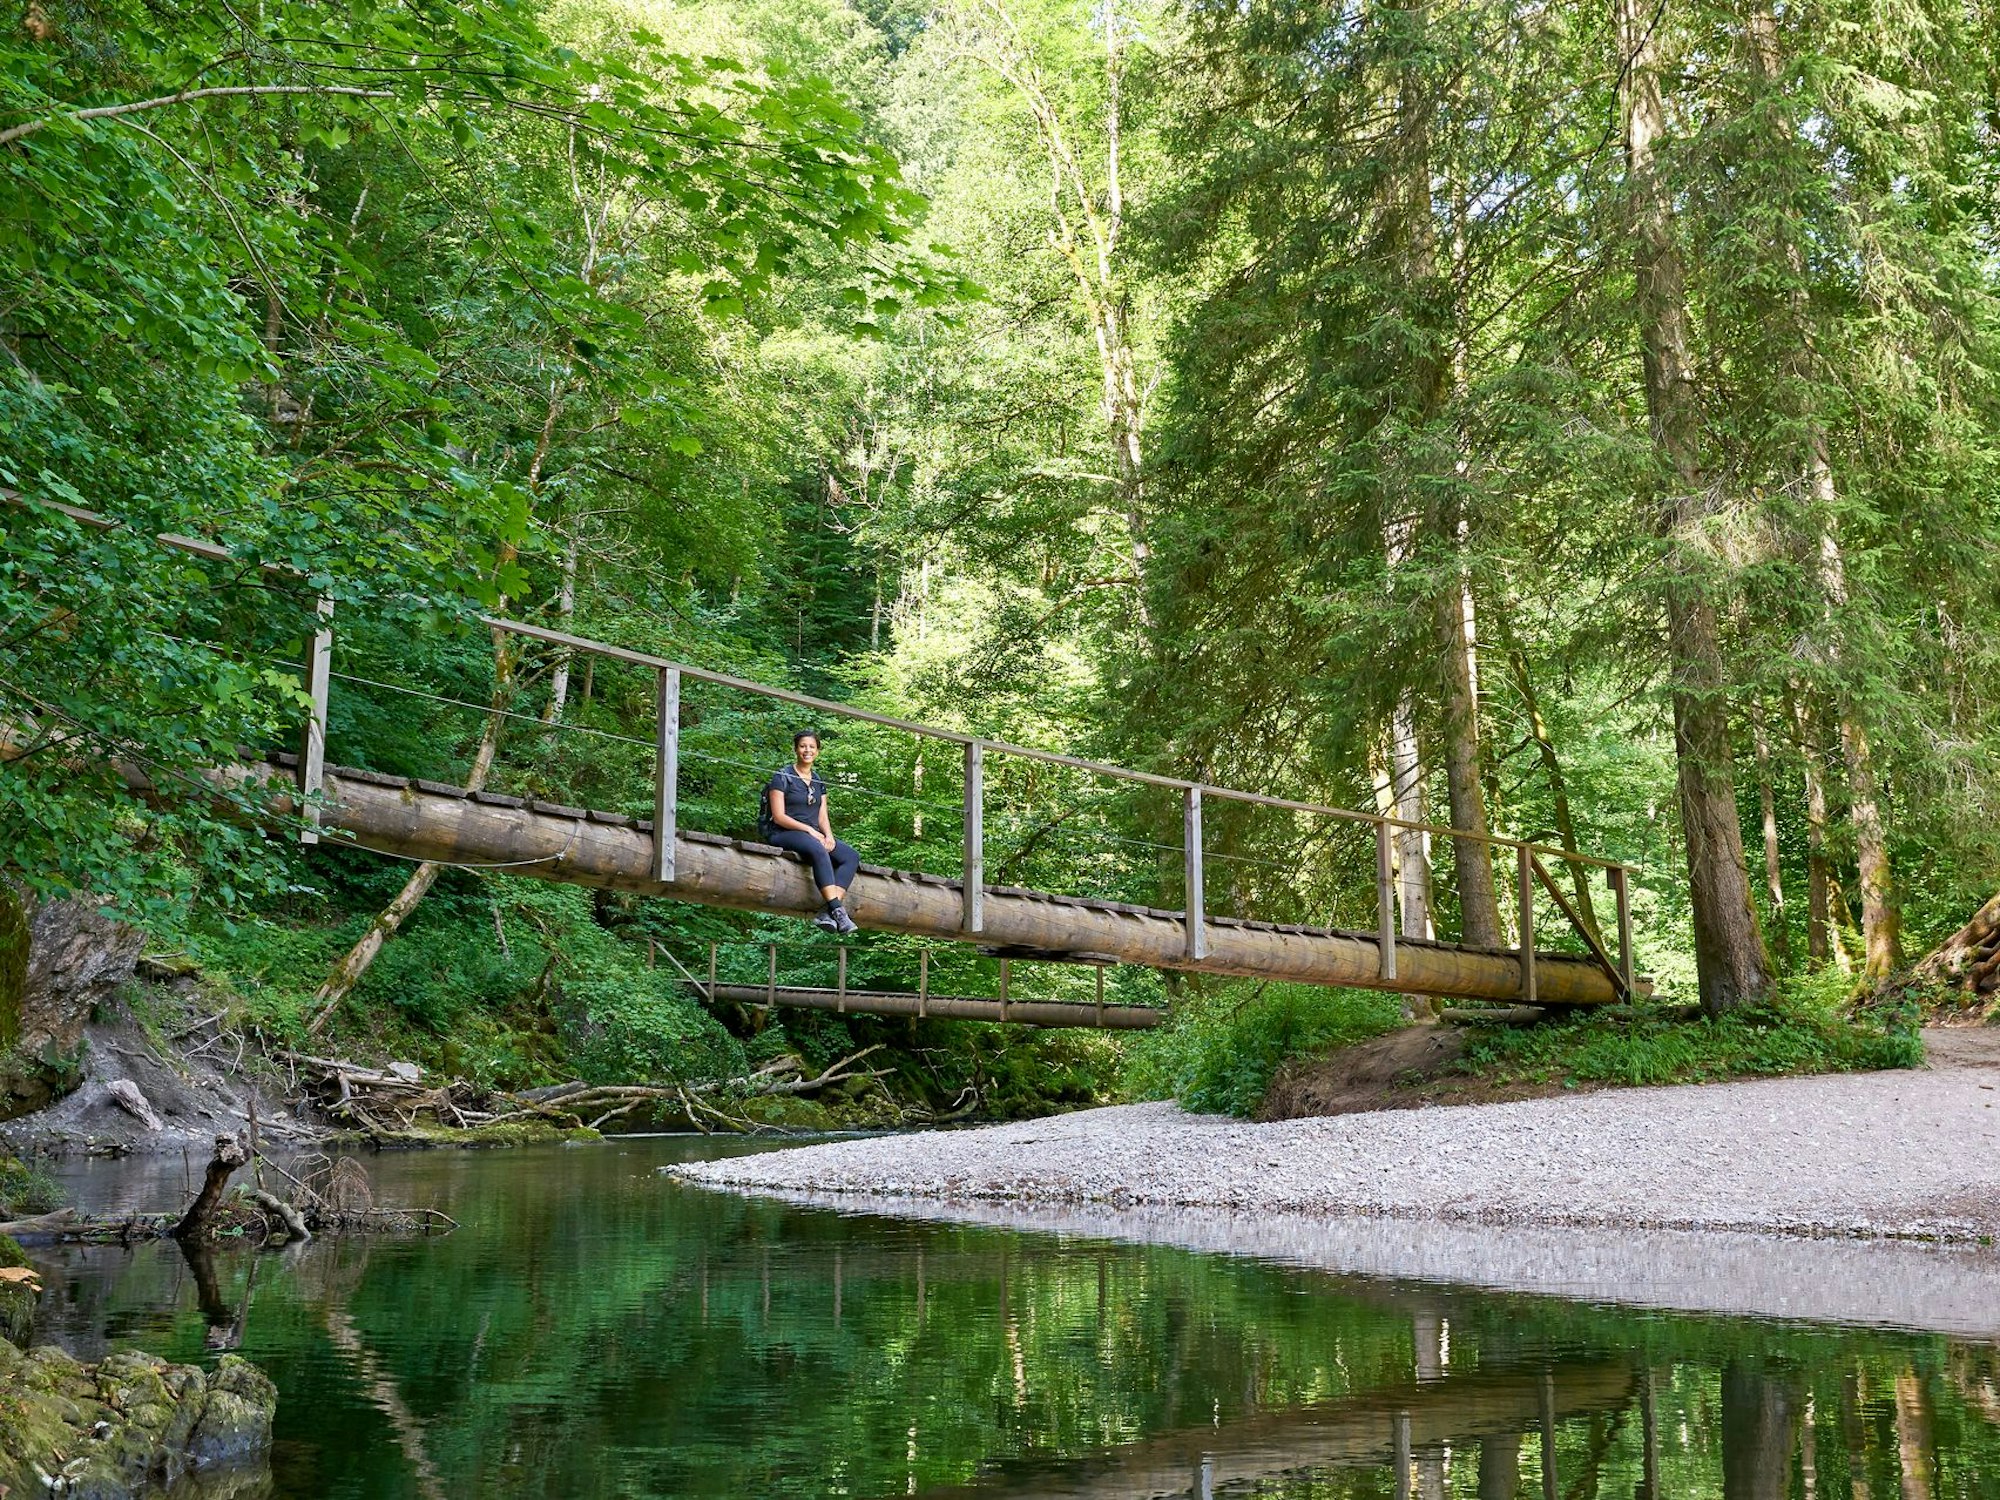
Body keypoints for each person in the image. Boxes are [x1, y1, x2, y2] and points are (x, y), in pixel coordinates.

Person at [761, 730, 860, 935]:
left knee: (850, 856)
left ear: (817, 751)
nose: (807, 750)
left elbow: (822, 815)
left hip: (812, 834)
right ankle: (838, 911)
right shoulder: (782, 776)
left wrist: (829, 836)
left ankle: (827, 911)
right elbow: (779, 816)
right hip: (783, 832)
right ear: (796, 749)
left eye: (812, 747)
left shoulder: (817, 780)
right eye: (803, 746)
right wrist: (809, 831)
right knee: (817, 848)